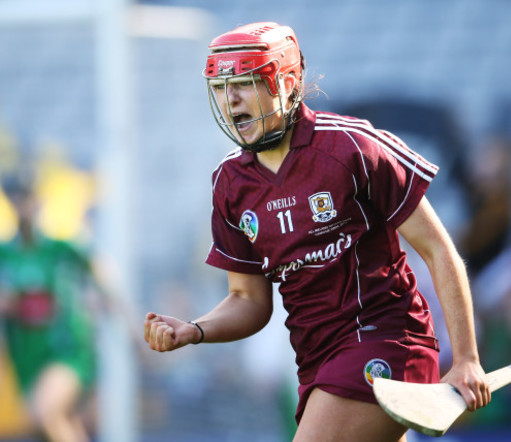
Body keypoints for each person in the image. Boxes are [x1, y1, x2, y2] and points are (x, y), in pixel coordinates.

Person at [144, 22, 490, 441]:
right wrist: (194, 330)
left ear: (286, 83)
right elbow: (248, 301)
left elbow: (438, 250)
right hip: (315, 364)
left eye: (245, 83)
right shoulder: (229, 184)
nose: (230, 99)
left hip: (384, 341)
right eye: (221, 88)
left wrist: (467, 358)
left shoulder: (352, 147)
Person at [0, 172, 96, 442]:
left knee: (45, 414)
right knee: (45, 427)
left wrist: (128, 323)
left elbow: (99, 269)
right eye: (15, 199)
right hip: (27, 358)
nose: (22, 206)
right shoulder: (4, 254)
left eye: (26, 198)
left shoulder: (59, 247)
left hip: (66, 351)